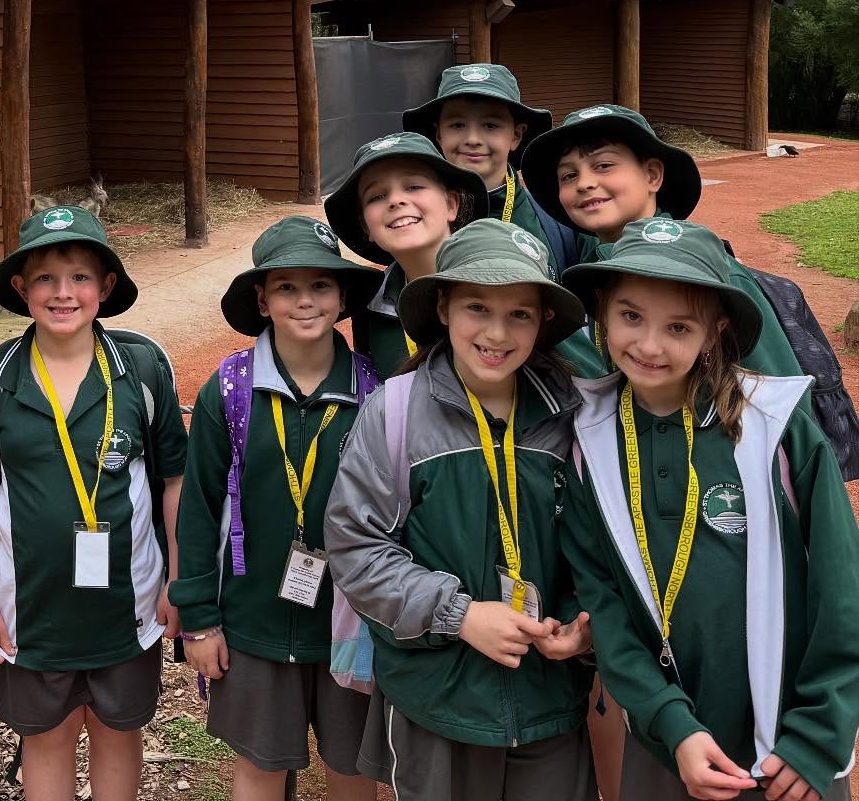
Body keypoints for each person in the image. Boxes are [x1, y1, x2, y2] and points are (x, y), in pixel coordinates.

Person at [559, 219, 859, 801]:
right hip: (667, 744)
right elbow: (607, 606)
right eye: (630, 317)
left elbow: (840, 585)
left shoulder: (776, 426)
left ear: (716, 330)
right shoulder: (588, 441)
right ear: (601, 311)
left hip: (791, 749)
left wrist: (821, 731)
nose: (649, 345)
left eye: (678, 326)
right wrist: (671, 723)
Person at [326, 220, 597, 801]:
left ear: (544, 322)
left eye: (520, 314)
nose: (498, 333)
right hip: (435, 696)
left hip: (550, 695)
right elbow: (355, 546)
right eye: (478, 307)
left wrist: (579, 623)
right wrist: (461, 616)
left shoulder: (574, 416)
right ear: (443, 306)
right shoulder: (395, 413)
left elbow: (597, 543)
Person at [0, 207, 187, 801]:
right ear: (21, 289)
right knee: (46, 740)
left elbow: (174, 485)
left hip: (128, 606)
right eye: (46, 278)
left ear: (105, 288)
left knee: (117, 733)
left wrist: (179, 580)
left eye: (80, 276)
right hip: (30, 613)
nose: (63, 293)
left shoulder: (142, 370)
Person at [172, 215, 383, 800]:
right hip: (252, 622)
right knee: (260, 765)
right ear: (262, 300)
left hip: (349, 623)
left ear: (342, 297)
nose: (305, 300)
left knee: (352, 766)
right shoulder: (231, 388)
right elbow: (199, 507)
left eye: (320, 286)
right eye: (287, 287)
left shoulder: (375, 391)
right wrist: (200, 618)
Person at [520, 105, 804, 384]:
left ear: (652, 175)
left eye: (603, 165)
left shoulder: (706, 272)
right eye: (569, 175)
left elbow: (783, 397)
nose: (584, 183)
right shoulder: (589, 260)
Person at [323, 132, 487, 376]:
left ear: (452, 204)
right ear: (366, 226)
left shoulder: (504, 281)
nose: (396, 200)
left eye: (414, 186)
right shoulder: (370, 306)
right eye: (377, 196)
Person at [403, 63, 580, 270]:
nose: (473, 139)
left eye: (490, 125)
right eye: (457, 125)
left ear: (516, 135)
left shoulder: (558, 218)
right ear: (439, 134)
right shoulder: (413, 218)